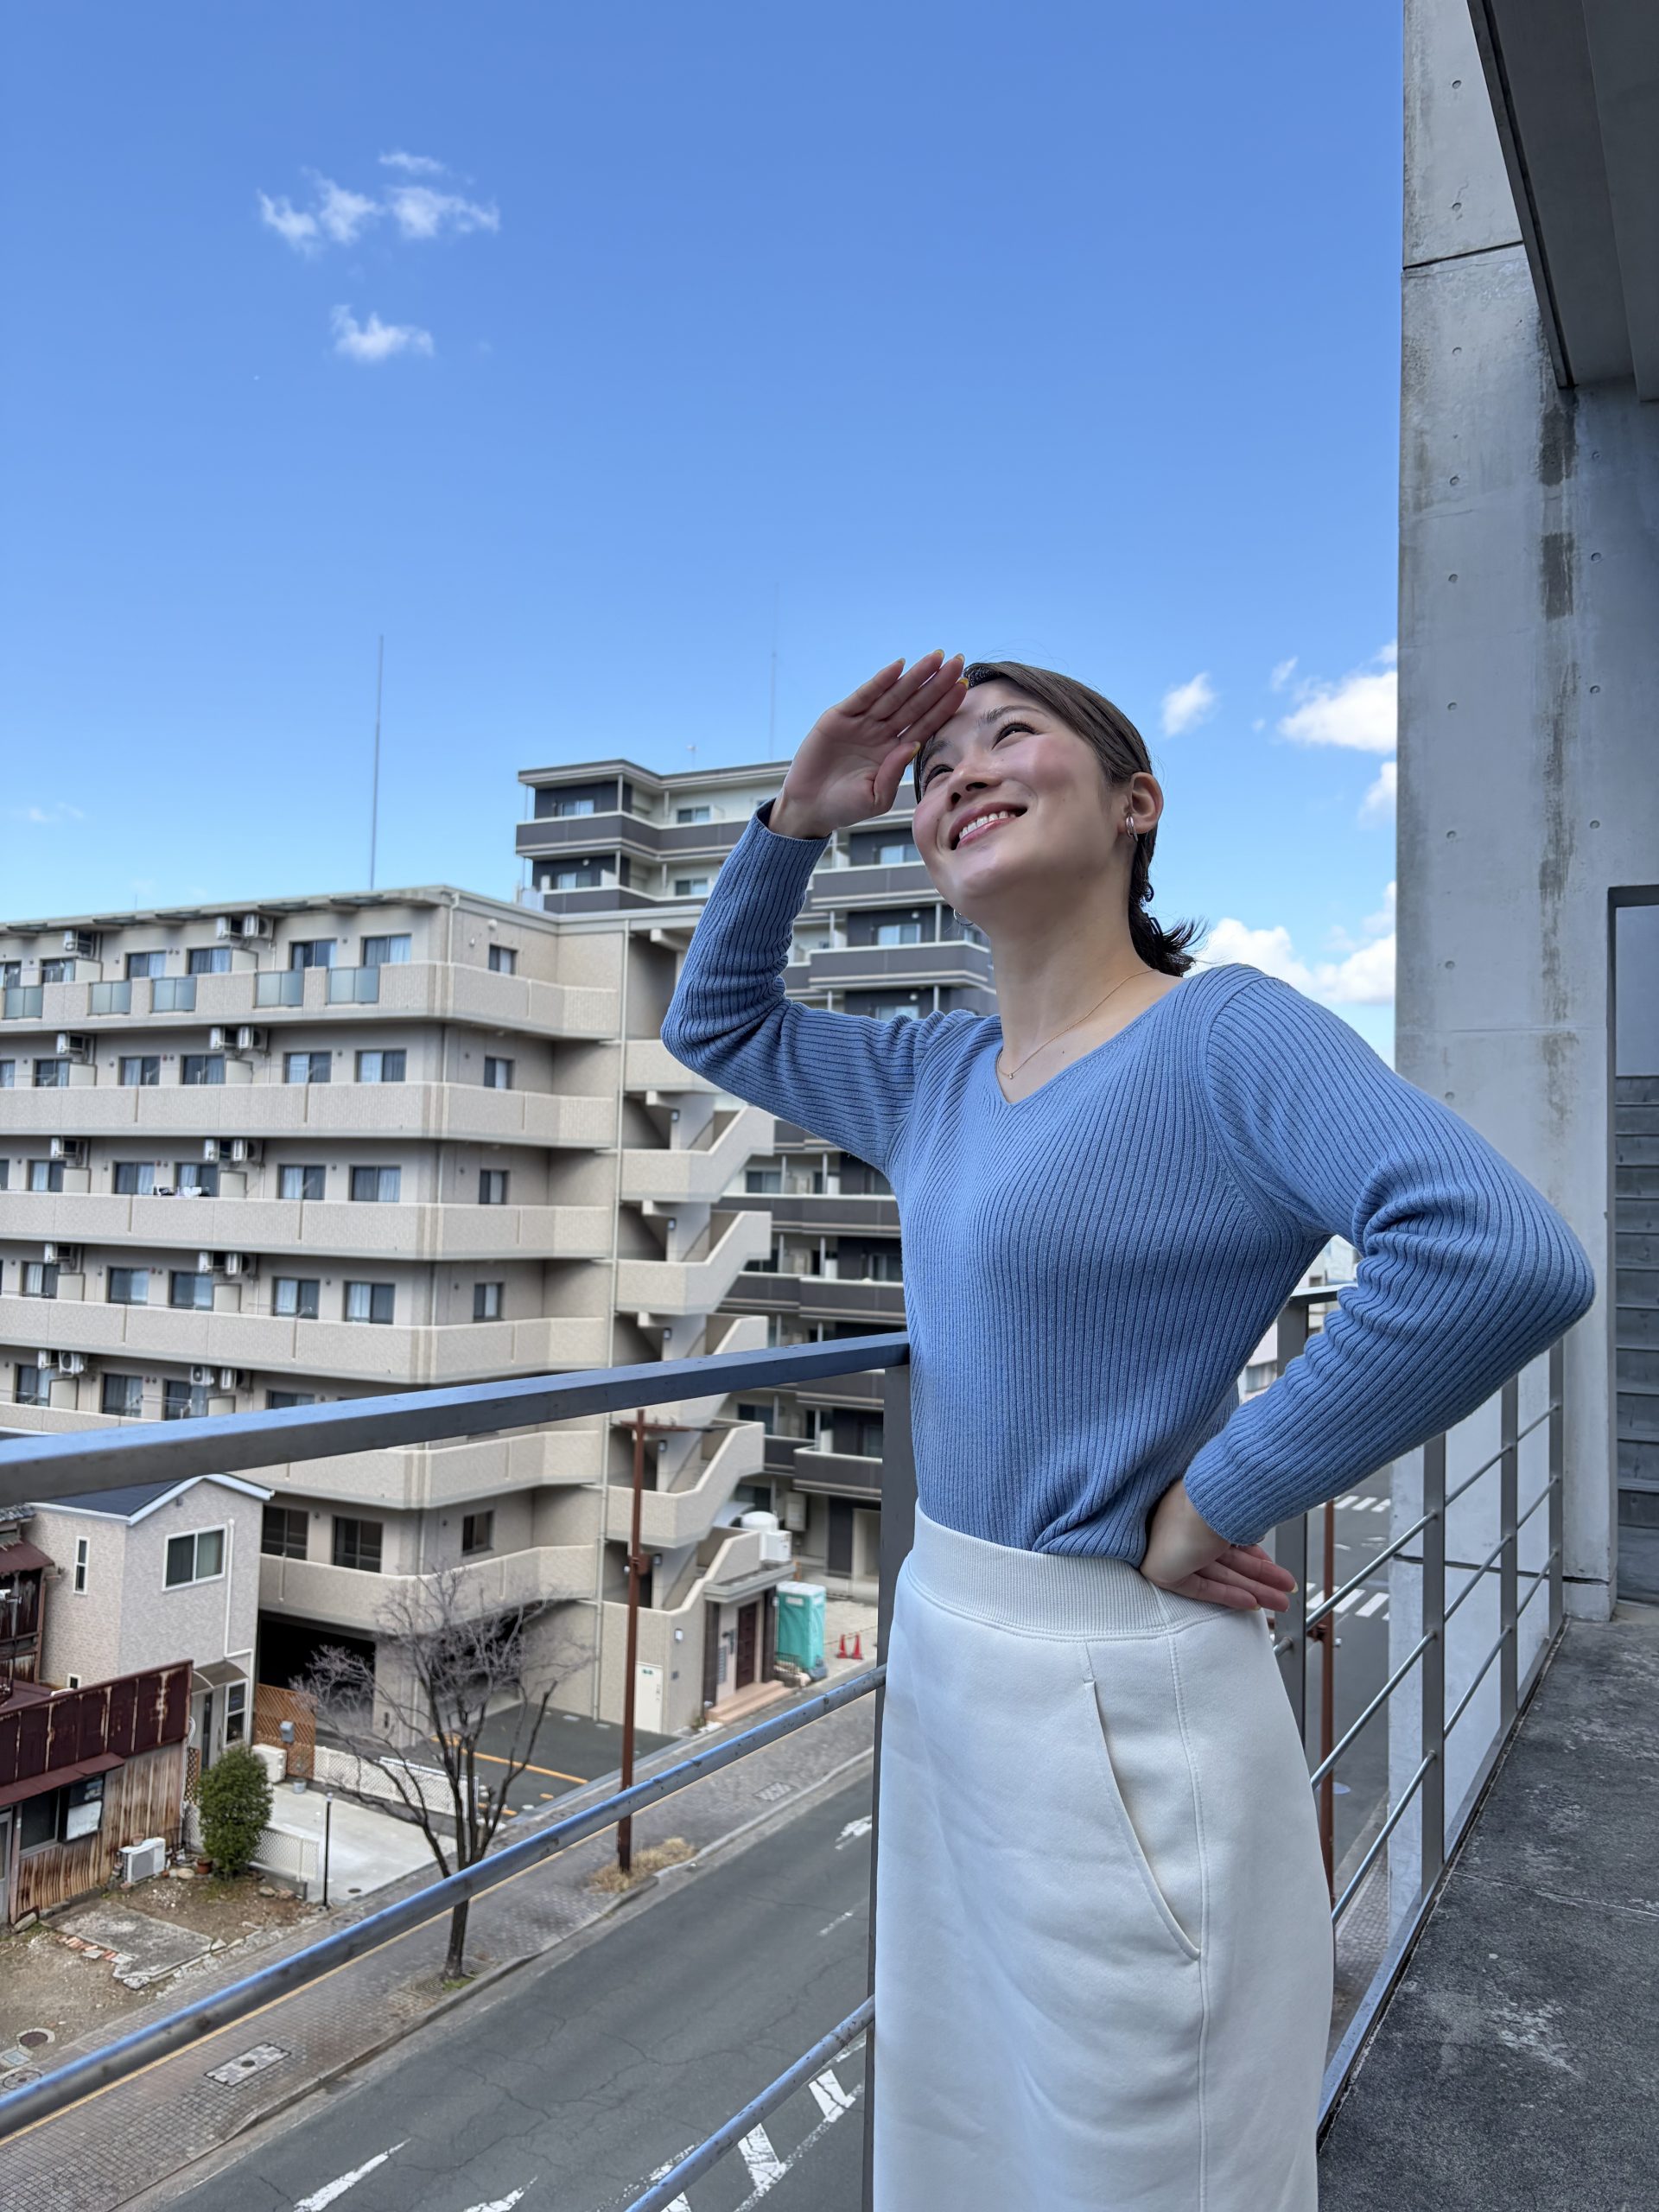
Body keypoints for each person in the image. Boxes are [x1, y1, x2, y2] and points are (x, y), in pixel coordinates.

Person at [659, 652, 1596, 2211]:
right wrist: (799, 819)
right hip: (947, 1660)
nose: (962, 773)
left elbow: (1497, 1254)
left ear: (1134, 804)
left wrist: (1218, 1494)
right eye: (935, 769)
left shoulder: (1225, 1035)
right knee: (962, 2141)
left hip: (1122, 1682)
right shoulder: (936, 1070)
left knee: (1148, 2155)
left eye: (1010, 737)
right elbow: (717, 1024)